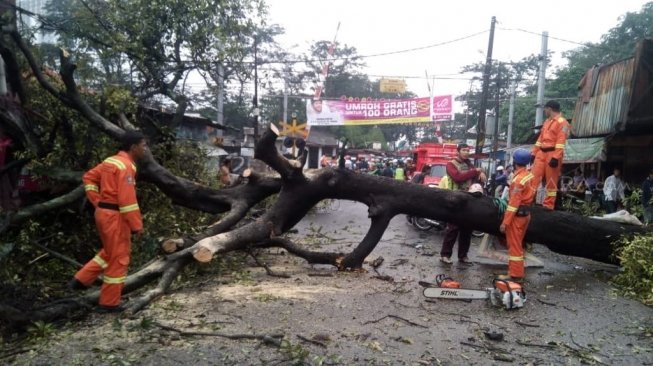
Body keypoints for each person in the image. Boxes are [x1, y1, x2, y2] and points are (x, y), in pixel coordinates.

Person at [68, 131, 147, 312]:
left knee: (110, 251)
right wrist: (137, 226)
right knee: (119, 257)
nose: (145, 149)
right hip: (115, 217)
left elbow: (88, 177)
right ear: (133, 147)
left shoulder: (110, 161)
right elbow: (127, 200)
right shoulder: (126, 166)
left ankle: (80, 280)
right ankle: (109, 303)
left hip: (103, 213)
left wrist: (98, 201)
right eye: (143, 145)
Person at [440, 143, 486, 265]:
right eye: (464, 150)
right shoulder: (451, 164)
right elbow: (458, 177)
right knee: (452, 229)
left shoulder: (470, 164)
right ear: (458, 151)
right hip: (456, 199)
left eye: (468, 150)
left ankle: (463, 256)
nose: (466, 152)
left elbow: (475, 177)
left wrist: (481, 174)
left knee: (467, 230)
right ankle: (445, 255)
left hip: (469, 200)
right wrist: (475, 171)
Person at [498, 148, 536, 282]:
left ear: (515, 162)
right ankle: (515, 271)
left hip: (517, 217)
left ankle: (515, 275)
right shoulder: (529, 175)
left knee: (514, 246)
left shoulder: (518, 180)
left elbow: (513, 204)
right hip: (526, 215)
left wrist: (505, 222)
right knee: (518, 244)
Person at [530, 100, 570, 209]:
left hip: (552, 154)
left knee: (551, 183)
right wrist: (534, 153)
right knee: (533, 179)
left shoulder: (563, 122)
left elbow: (561, 141)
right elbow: (540, 139)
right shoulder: (547, 122)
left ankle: (548, 206)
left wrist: (556, 157)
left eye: (545, 109)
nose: (544, 111)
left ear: (550, 109)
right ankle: (527, 201)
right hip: (541, 153)